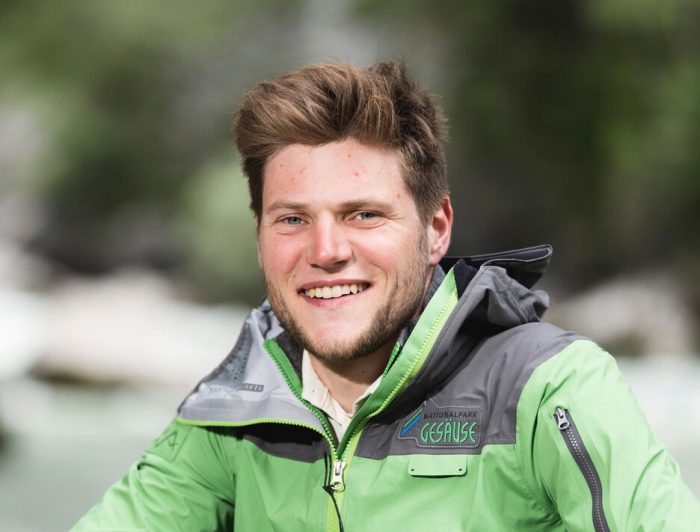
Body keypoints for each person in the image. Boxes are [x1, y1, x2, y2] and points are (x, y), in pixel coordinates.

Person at [73, 61, 699, 531]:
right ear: (259, 237)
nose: (325, 250)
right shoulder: (236, 403)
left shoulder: (551, 388)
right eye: (292, 219)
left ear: (436, 228)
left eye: (364, 214)